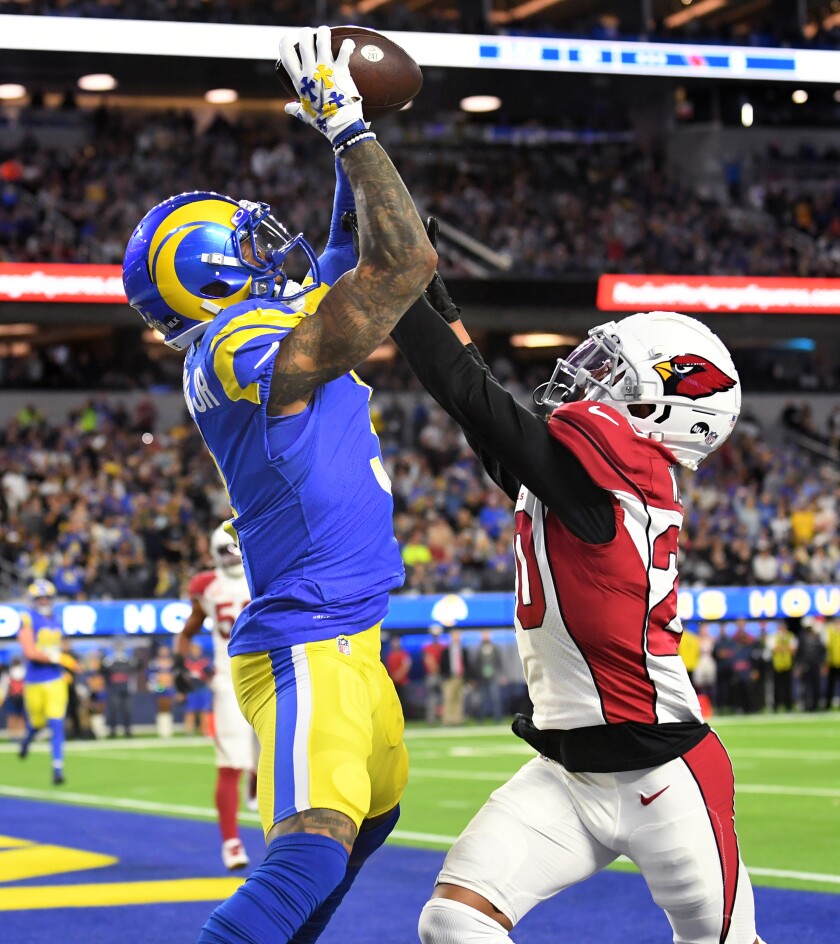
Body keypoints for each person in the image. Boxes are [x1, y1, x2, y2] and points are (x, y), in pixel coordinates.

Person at [122, 25, 436, 944]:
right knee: (311, 847)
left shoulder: (249, 328)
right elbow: (402, 268)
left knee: (371, 821)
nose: (268, 243)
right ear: (211, 271)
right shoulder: (233, 346)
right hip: (311, 636)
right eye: (243, 238)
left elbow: (348, 247)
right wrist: (346, 131)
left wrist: (351, 121)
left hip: (352, 632)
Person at [386, 254, 765, 943]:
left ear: (658, 410)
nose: (589, 379)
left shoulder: (610, 491)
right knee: (454, 921)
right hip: (569, 771)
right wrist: (443, 314)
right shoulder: (584, 486)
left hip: (665, 773)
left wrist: (393, 285)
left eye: (615, 375)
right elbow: (491, 428)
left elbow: (472, 400)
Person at [177, 523, 258, 872]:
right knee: (231, 765)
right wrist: (195, 666)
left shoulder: (215, 584)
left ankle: (255, 780)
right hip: (237, 678)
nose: (231, 556)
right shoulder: (256, 576)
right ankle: (231, 841)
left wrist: (190, 663)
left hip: (257, 675)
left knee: (272, 757)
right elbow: (187, 635)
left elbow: (185, 636)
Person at [17, 579, 77, 785]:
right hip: (34, 681)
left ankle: (57, 768)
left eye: (46, 597)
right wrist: (59, 659)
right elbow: (30, 652)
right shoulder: (27, 619)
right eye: (39, 598)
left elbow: (60, 648)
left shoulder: (57, 620)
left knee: (56, 722)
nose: (43, 601)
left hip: (55, 680)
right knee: (37, 724)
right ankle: (26, 741)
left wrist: (66, 664)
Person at [101, 638, 137, 738]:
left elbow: (135, 667)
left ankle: (128, 731)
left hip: (126, 687)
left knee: (127, 710)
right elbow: (105, 670)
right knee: (113, 710)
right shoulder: (109, 659)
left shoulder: (128, 659)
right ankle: (113, 731)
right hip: (114, 687)